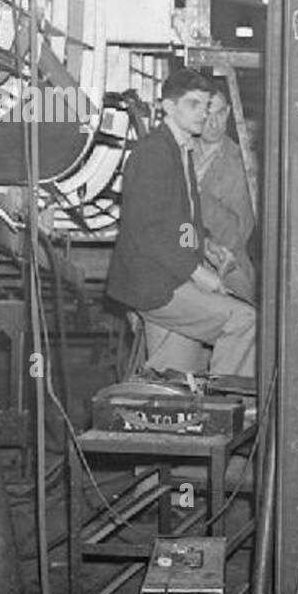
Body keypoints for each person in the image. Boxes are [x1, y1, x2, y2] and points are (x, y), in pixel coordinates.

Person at [106, 67, 255, 379]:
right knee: (244, 321)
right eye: (193, 105)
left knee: (174, 380)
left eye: (206, 105)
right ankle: (225, 406)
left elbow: (181, 221)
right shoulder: (154, 153)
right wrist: (198, 273)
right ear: (168, 107)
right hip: (157, 285)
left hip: (168, 278)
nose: (202, 113)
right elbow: (148, 231)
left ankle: (178, 419)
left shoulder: (180, 148)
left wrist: (208, 245)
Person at [195, 89, 257, 303]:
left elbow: (238, 236)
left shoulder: (241, 163)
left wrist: (197, 193)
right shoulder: (180, 151)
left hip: (226, 272)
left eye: (219, 114)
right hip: (185, 265)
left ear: (229, 112)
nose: (213, 123)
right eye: (206, 114)